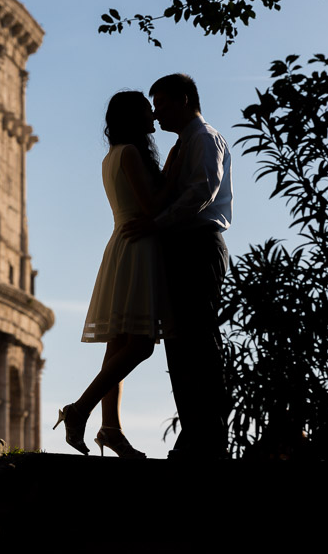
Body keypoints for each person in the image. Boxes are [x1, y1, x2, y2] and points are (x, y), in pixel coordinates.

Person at [54, 90, 178, 458]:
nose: (153, 118)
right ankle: (80, 410)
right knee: (139, 345)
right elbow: (153, 205)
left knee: (117, 346)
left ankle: (111, 429)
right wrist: (173, 167)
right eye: (146, 112)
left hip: (122, 245)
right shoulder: (130, 153)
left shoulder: (112, 155)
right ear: (131, 117)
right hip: (137, 247)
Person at [123, 73, 233, 459]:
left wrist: (157, 223)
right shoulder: (185, 144)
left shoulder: (203, 139)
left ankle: (207, 437)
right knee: (182, 343)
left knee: (198, 341)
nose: (157, 113)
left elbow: (201, 192)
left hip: (198, 244)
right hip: (183, 246)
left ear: (185, 100)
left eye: (163, 103)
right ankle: (196, 432)